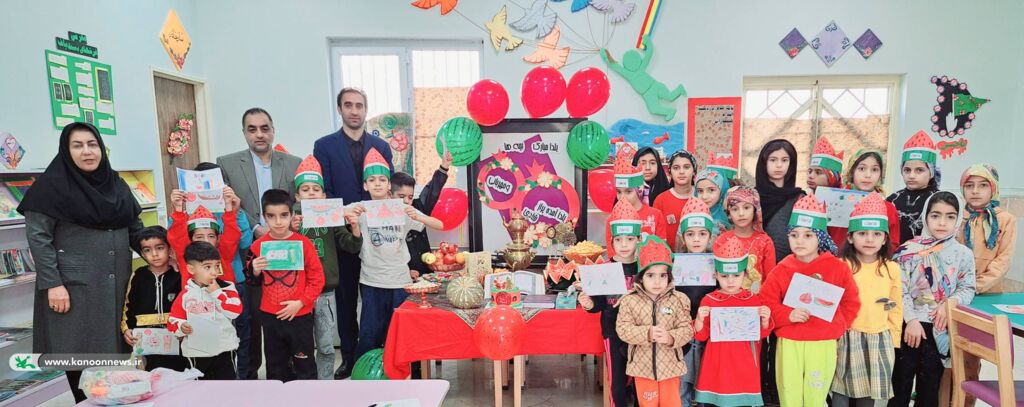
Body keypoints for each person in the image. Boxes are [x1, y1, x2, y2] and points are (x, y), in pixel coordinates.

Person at [19, 122, 143, 402]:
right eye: (78, 145)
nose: (87, 151)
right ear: (66, 150)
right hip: (72, 289)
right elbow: (38, 238)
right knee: (79, 356)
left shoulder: (116, 184)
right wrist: (53, 284)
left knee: (116, 359)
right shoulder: (50, 188)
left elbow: (135, 228)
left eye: (92, 144)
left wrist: (162, 254)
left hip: (117, 286)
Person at [312, 88, 393, 378]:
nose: (354, 110)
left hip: (378, 237)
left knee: (377, 300)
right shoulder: (324, 146)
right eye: (348, 105)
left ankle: (381, 355)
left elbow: (387, 188)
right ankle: (348, 357)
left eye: (359, 105)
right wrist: (348, 216)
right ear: (340, 109)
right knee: (346, 300)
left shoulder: (381, 147)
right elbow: (325, 192)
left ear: (366, 109)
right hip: (343, 236)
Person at [217, 107, 301, 379]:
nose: (259, 134)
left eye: (264, 128)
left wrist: (285, 226)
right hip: (248, 251)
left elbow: (299, 203)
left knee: (285, 315)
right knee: (251, 318)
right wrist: (256, 228)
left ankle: (288, 376)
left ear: (273, 130)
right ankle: (250, 377)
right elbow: (228, 205)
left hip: (286, 252)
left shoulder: (293, 163)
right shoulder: (227, 164)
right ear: (244, 133)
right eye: (252, 129)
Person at [760, 194, 861, 407]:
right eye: (794, 235)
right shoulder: (781, 269)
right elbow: (766, 302)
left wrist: (836, 325)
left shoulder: (838, 268)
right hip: (790, 342)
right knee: (789, 393)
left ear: (820, 237)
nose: (799, 241)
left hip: (822, 343)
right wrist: (788, 315)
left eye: (808, 235)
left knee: (816, 393)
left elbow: (851, 302)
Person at [350, 148, 443, 360]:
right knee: (369, 333)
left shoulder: (402, 209)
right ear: (365, 185)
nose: (377, 184)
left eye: (382, 180)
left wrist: (418, 216)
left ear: (388, 187)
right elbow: (332, 214)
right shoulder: (361, 208)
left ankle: (404, 371)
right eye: (371, 180)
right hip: (372, 281)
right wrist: (350, 215)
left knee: (401, 333)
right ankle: (364, 371)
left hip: (400, 281)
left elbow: (439, 224)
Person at [890, 191, 976, 407]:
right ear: (925, 216)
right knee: (899, 385)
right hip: (907, 326)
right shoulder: (907, 251)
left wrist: (949, 305)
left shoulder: (963, 254)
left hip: (940, 329)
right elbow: (897, 289)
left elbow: (968, 288)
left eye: (950, 216)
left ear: (958, 219)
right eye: (935, 215)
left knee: (930, 389)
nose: (942, 222)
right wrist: (911, 319)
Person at [291, 155, 363, 380]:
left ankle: (325, 383)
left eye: (316, 189)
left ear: (324, 195)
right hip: (297, 293)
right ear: (297, 196)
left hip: (324, 292)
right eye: (305, 190)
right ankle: (304, 383)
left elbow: (350, 246)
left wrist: (354, 229)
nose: (311, 193)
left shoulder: (331, 217)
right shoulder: (291, 218)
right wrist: (290, 231)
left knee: (325, 345)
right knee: (300, 346)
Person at [830, 192, 902, 407]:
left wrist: (894, 339)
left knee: (867, 395)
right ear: (850, 237)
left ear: (885, 238)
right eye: (862, 233)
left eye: (876, 234)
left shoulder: (892, 268)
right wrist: (832, 335)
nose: (870, 239)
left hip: (878, 339)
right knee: (840, 391)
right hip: (846, 337)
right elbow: (832, 303)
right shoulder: (841, 266)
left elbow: (895, 306)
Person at [184, 162, 255, 379]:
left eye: (212, 184)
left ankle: (242, 379)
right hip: (197, 287)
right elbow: (178, 243)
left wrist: (234, 210)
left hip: (231, 282)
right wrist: (181, 209)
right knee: (204, 336)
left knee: (240, 335)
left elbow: (245, 242)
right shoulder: (187, 210)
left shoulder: (229, 209)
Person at [251, 189, 326, 381]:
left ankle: (307, 396)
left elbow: (317, 279)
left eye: (284, 215)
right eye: (271, 216)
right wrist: (254, 270)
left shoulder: (304, 244)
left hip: (299, 315)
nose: (278, 222)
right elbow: (251, 282)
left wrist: (301, 302)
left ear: (292, 215)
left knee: (305, 365)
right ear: (264, 217)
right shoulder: (257, 246)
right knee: (275, 366)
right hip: (270, 316)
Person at [956, 164, 1015, 407]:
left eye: (982, 186)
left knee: (973, 355)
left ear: (994, 189)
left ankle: (966, 402)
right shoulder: (958, 217)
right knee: (953, 354)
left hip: (986, 296)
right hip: (956, 295)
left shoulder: (1005, 220)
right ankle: (946, 399)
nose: (975, 191)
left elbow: (1002, 262)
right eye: (969, 186)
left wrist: (974, 286)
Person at [693, 236, 773, 407]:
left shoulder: (753, 299)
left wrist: (765, 319)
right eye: (724, 275)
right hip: (718, 361)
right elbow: (701, 336)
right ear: (716, 275)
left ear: (744, 274)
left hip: (744, 361)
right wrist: (699, 319)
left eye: (736, 275)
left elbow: (761, 334)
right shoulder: (709, 300)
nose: (730, 281)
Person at [752, 139, 804, 405]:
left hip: (790, 277)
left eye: (784, 160)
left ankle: (778, 389)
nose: (778, 166)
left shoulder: (800, 198)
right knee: (759, 335)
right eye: (773, 160)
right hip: (755, 277)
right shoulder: (751, 197)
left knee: (782, 336)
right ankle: (758, 388)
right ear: (763, 163)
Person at [578, 199, 643, 407]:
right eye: (618, 240)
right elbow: (599, 303)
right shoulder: (604, 269)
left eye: (630, 239)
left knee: (641, 381)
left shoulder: (646, 269)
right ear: (612, 241)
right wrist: (589, 304)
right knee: (617, 382)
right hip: (613, 333)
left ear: (639, 239)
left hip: (642, 333)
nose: (624, 245)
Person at [616, 236, 693, 407]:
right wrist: (647, 333)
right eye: (650, 275)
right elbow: (623, 329)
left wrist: (671, 337)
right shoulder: (629, 300)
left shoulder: (679, 299)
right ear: (641, 277)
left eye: (662, 275)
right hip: (642, 368)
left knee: (671, 404)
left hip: (671, 368)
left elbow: (687, 330)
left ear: (669, 276)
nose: (657, 281)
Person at [167, 241, 243, 380]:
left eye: (216, 266)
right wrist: (181, 326)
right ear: (191, 269)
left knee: (227, 387)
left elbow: (235, 312)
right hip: (196, 353)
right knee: (199, 388)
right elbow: (172, 321)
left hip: (225, 350)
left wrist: (217, 293)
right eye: (207, 267)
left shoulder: (227, 288)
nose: (214, 272)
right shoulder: (186, 295)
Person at [121, 226, 188, 372]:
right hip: (144, 341)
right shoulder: (138, 275)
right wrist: (127, 329)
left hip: (176, 338)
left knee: (179, 376)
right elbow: (129, 305)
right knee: (149, 377)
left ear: (170, 249)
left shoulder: (179, 275)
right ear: (142, 254)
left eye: (160, 248)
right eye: (147, 250)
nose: (154, 254)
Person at [672, 197, 717, 407]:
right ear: (683, 237)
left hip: (709, 333)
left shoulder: (717, 264)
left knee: (706, 384)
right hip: (683, 333)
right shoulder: (675, 264)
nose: (696, 239)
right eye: (690, 234)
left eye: (702, 234)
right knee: (683, 383)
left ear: (710, 236)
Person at [392, 151, 452, 278]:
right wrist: (405, 271)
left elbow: (432, 191)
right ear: (390, 194)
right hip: (402, 275)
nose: (406, 201)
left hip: (426, 271)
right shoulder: (384, 217)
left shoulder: (417, 208)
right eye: (401, 196)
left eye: (410, 197)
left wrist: (444, 167)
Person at [167, 190, 242, 287]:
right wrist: (178, 209)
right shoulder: (185, 255)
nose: (206, 241)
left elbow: (232, 234)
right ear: (190, 239)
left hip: (224, 296)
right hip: (194, 297)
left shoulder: (223, 253)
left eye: (211, 236)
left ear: (218, 238)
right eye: (199, 237)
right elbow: (177, 236)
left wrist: (228, 206)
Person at [829, 149, 900, 251]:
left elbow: (892, 245)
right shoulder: (834, 202)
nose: (868, 175)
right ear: (852, 171)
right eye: (862, 168)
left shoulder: (888, 209)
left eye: (874, 169)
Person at [605, 144, 667, 257]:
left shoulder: (656, 215)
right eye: (619, 192)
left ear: (639, 190)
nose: (623, 197)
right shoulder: (611, 220)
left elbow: (662, 251)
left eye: (628, 191)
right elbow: (612, 255)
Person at [887, 131, 940, 245]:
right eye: (907, 170)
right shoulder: (892, 200)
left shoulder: (939, 200)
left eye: (919, 170)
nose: (911, 175)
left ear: (931, 172)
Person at [719, 185, 775, 285]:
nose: (741, 213)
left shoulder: (765, 242)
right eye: (735, 209)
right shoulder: (722, 241)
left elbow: (770, 280)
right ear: (728, 213)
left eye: (746, 207)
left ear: (755, 210)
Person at [654, 149, 697, 250]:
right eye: (676, 168)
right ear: (670, 172)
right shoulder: (661, 200)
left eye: (686, 167)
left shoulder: (702, 197)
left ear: (694, 171)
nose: (681, 172)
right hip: (668, 257)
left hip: (700, 256)